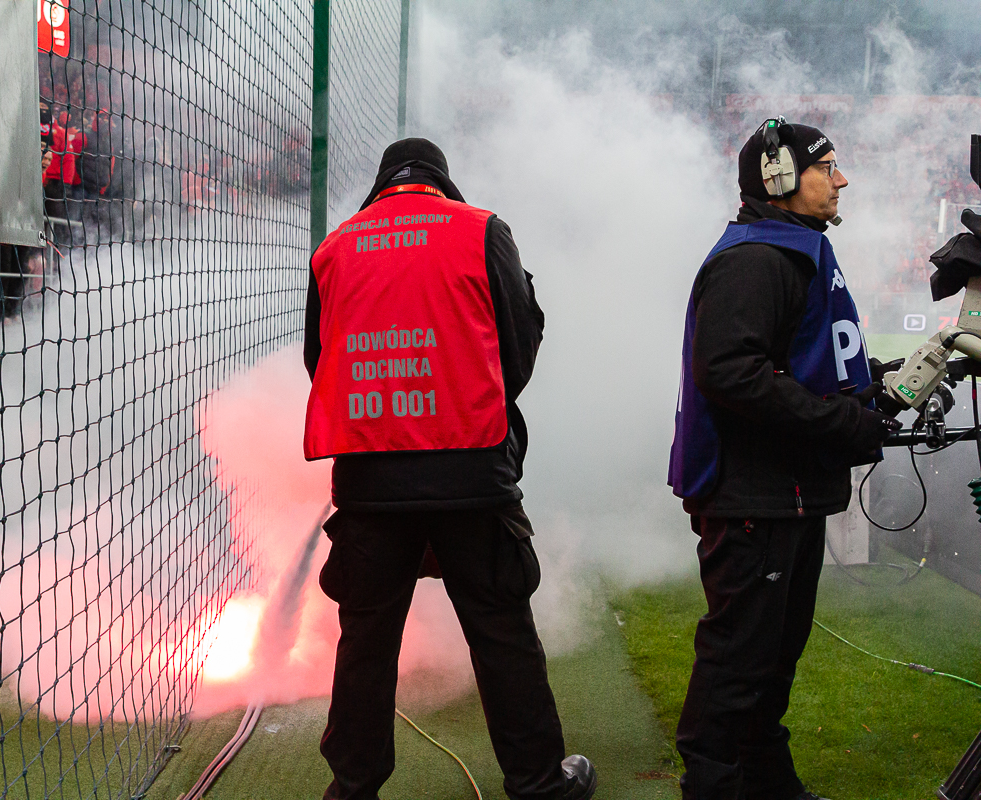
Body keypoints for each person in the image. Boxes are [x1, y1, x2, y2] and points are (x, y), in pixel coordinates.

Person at [303, 138, 596, 800]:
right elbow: (518, 346)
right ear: (444, 185)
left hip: (370, 480)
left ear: (382, 188)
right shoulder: (481, 231)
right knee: (501, 634)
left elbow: (321, 362)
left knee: (366, 644)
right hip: (472, 472)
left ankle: (352, 789)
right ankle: (538, 783)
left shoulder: (337, 246)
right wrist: (464, 397)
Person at [667, 120, 902, 800]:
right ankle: (713, 786)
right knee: (740, 662)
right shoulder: (755, 259)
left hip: (783, 495)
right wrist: (844, 422)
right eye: (828, 165)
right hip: (755, 499)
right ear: (777, 177)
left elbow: (807, 361)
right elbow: (732, 372)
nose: (842, 178)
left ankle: (769, 784)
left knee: (771, 662)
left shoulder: (787, 249)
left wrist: (874, 386)